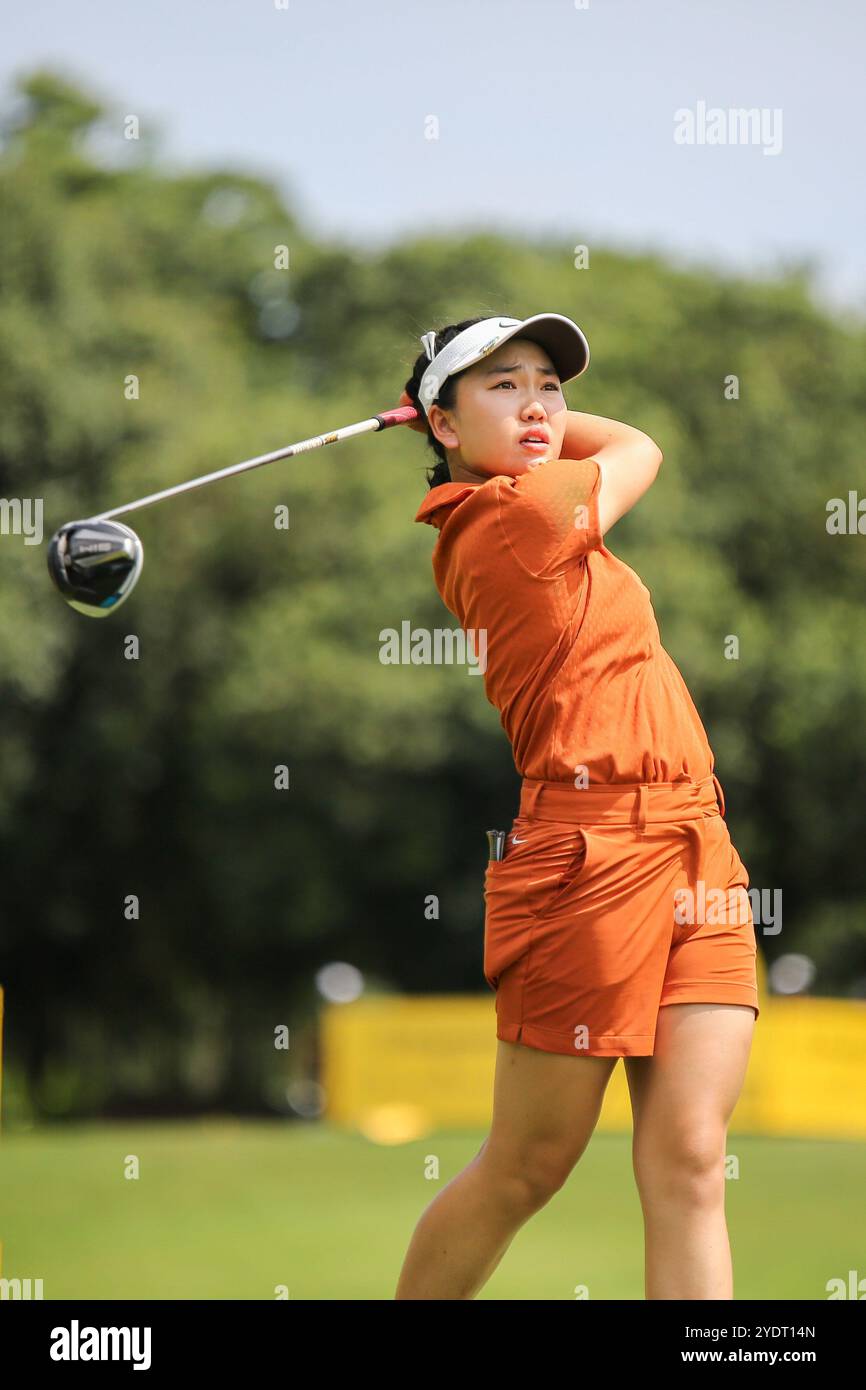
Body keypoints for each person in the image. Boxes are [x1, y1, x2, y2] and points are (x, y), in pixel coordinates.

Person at [393, 313, 759, 1301]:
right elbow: (639, 444)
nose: (539, 406)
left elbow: (581, 440)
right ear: (439, 424)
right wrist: (473, 425)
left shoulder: (540, 498)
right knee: (526, 1165)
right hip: (585, 860)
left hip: (697, 845)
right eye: (502, 386)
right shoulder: (516, 517)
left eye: (548, 385)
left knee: (690, 1158)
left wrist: (476, 415)